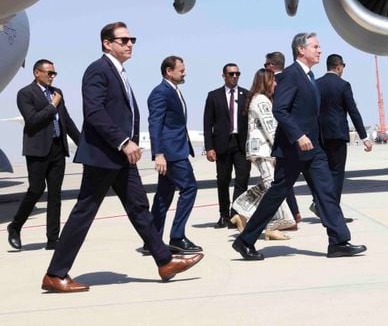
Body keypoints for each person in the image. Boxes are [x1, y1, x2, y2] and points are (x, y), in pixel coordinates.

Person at [42, 22, 202, 293]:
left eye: (132, 39)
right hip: (104, 155)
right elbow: (94, 112)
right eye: (124, 39)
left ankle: (164, 261)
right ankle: (55, 274)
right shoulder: (98, 70)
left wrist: (130, 144)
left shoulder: (119, 73)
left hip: (120, 158)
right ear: (107, 43)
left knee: (139, 208)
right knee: (84, 211)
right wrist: (123, 141)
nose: (130, 44)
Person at [232, 32, 366, 260]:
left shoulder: (310, 77)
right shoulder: (291, 76)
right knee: (277, 193)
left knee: (326, 192)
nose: (320, 50)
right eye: (315, 46)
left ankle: (339, 242)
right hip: (293, 149)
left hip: (314, 149)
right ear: (301, 50)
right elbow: (280, 109)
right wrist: (298, 136)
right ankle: (245, 241)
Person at [7, 59, 80, 251]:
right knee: (36, 190)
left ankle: (52, 239)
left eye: (54, 73)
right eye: (49, 73)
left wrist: (83, 144)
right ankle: (15, 226)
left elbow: (67, 121)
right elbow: (32, 121)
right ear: (36, 73)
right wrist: (52, 105)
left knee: (55, 195)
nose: (52, 76)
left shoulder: (58, 93)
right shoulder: (25, 94)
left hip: (58, 148)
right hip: (37, 150)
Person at [230, 69, 295, 240]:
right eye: (273, 81)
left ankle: (242, 212)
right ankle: (274, 224)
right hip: (264, 151)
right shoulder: (261, 101)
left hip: (262, 150)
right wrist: (278, 151)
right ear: (266, 82)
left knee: (265, 185)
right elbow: (270, 128)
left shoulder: (260, 99)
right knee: (273, 186)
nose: (275, 84)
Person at [147, 56, 202, 254]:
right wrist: (158, 153)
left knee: (163, 195)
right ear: (169, 71)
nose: (184, 73)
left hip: (176, 150)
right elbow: (155, 123)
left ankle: (151, 241)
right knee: (190, 188)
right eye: (181, 70)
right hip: (172, 153)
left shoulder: (173, 91)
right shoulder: (160, 93)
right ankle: (177, 236)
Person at [312, 54, 373, 219]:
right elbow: (353, 112)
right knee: (337, 173)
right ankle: (332, 212)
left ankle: (319, 203)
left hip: (320, 135)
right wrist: (364, 137)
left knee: (323, 173)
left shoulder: (316, 84)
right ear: (339, 66)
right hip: (337, 135)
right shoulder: (343, 85)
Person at [203, 63, 250, 229]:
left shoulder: (247, 95)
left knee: (242, 180)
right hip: (222, 143)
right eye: (231, 74)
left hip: (242, 143)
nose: (235, 76)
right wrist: (209, 147)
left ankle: (235, 214)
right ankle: (223, 215)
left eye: (237, 73)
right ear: (224, 76)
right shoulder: (214, 96)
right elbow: (207, 124)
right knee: (223, 180)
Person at [265, 51, 301, 224]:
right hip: (295, 139)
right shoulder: (295, 78)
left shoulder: (279, 81)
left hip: (283, 139)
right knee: (284, 183)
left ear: (272, 65)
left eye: (266, 65)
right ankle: (294, 213)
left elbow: (279, 111)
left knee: (280, 184)